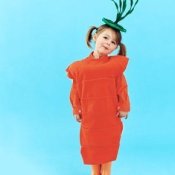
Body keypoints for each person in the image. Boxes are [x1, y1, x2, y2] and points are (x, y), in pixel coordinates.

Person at [66, 1, 139, 175]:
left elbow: (122, 87)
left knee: (107, 145)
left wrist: (124, 107)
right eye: (105, 37)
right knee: (92, 146)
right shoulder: (79, 67)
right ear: (94, 37)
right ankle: (94, 173)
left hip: (109, 115)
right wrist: (76, 108)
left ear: (116, 47)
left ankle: (106, 172)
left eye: (113, 42)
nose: (108, 43)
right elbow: (75, 90)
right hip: (90, 116)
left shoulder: (115, 66)